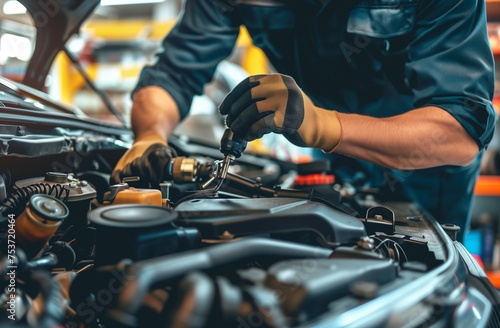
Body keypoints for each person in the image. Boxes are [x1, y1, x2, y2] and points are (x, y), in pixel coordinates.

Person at [111, 0, 497, 242]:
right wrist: (149, 136)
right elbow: (174, 74)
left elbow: (459, 130)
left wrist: (322, 126)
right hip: (337, 159)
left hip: (424, 169)